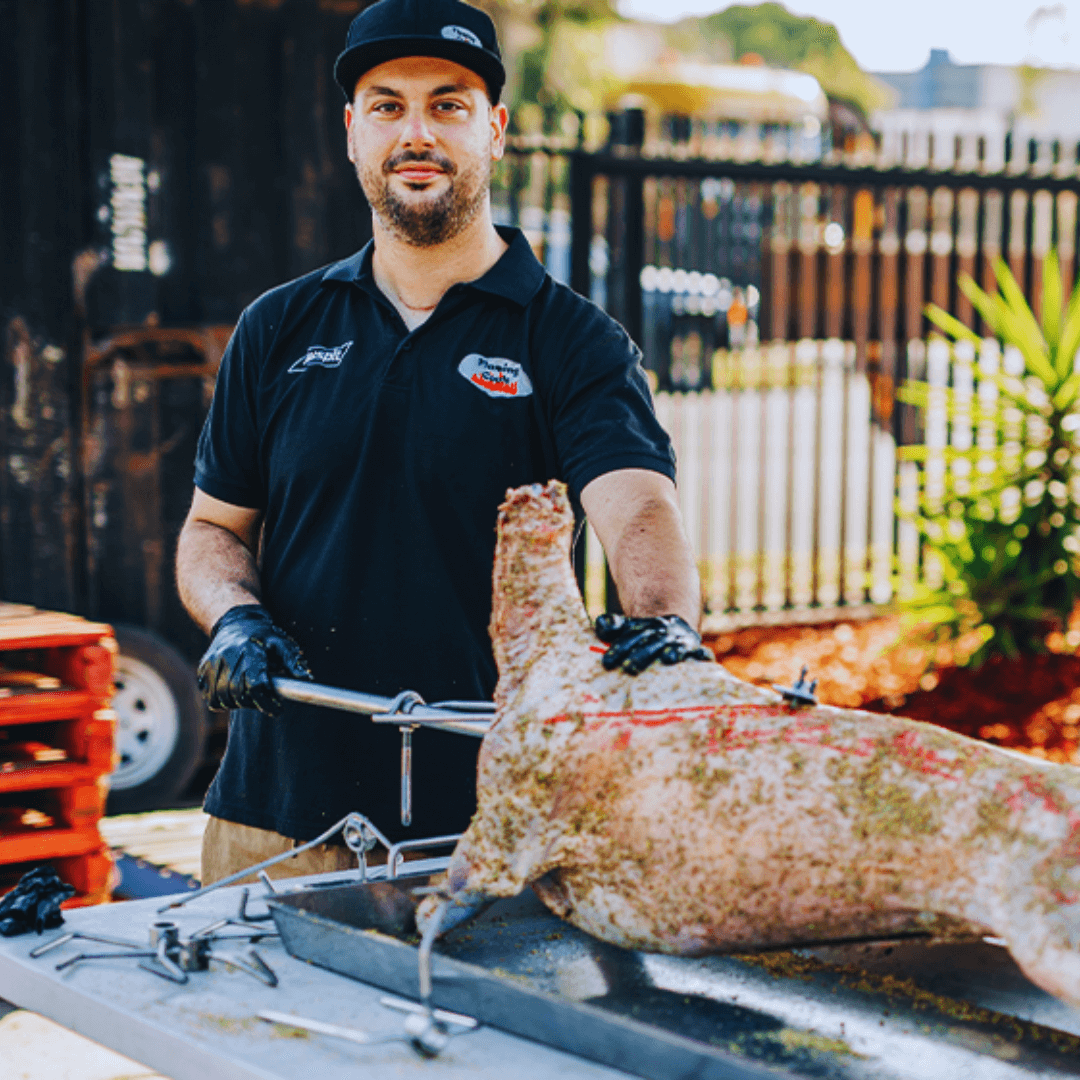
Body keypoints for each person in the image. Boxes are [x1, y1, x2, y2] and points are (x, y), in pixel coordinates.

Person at [176, 0, 710, 886]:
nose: (415, 132)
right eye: (387, 106)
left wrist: (664, 624)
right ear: (352, 133)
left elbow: (638, 503)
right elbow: (212, 528)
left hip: (492, 821)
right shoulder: (277, 326)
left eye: (448, 104)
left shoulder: (572, 340)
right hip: (269, 818)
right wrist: (235, 618)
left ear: (494, 129)